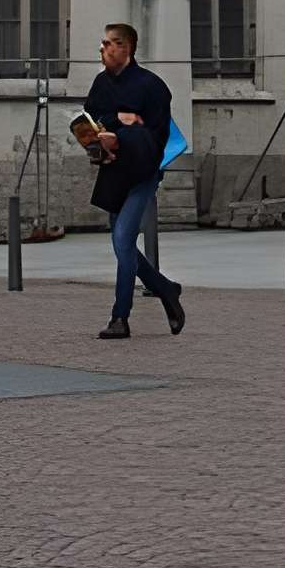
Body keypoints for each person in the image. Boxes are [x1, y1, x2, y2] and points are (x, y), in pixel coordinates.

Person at [84, 21, 186, 342]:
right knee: (121, 243)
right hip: (113, 171)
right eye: (103, 43)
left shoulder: (152, 87)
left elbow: (157, 139)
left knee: (124, 240)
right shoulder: (101, 84)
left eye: (111, 43)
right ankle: (167, 290)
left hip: (141, 174)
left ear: (126, 48)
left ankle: (120, 317)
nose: (103, 49)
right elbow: (91, 120)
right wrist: (102, 137)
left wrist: (123, 136)